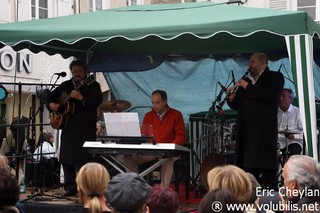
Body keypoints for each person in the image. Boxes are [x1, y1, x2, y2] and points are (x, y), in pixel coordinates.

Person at [227, 52, 284, 190]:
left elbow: (269, 95)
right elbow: (236, 105)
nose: (249, 65)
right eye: (249, 62)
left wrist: (248, 87)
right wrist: (231, 98)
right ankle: (248, 203)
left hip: (263, 133)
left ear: (263, 63)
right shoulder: (247, 80)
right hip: (246, 133)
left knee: (267, 174)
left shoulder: (275, 77)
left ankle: (271, 206)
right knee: (247, 172)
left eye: (252, 62)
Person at [46, 59, 102, 196]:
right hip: (68, 128)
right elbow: (48, 95)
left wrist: (82, 97)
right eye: (74, 71)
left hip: (85, 129)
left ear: (85, 72)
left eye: (79, 71)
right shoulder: (65, 85)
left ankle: (85, 190)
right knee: (66, 159)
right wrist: (50, 105)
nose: (77, 73)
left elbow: (97, 102)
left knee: (84, 160)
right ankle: (70, 188)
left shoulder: (93, 85)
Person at [123, 89, 187, 188]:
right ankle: (136, 188)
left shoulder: (176, 115)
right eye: (152, 103)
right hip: (151, 151)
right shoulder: (148, 116)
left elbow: (181, 137)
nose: (154, 105)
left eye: (157, 102)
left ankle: (162, 192)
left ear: (165, 102)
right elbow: (143, 136)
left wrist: (169, 147)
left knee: (168, 158)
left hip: (169, 152)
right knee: (128, 158)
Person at [277, 88, 303, 157]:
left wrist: (294, 136)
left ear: (291, 99)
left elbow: (306, 132)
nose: (280, 98)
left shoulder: (298, 112)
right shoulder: (275, 112)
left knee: (292, 153)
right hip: (278, 142)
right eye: (279, 96)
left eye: (283, 96)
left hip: (293, 142)